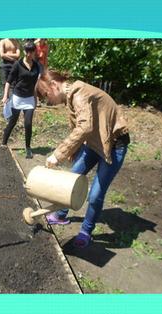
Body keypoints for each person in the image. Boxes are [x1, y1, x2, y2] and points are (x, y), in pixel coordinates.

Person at [37, 70, 130, 248]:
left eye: (46, 95)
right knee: (72, 178)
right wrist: (75, 148)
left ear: (54, 85)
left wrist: (58, 154)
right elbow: (82, 126)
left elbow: (85, 127)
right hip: (95, 142)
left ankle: (86, 231)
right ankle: (61, 214)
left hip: (114, 145)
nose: (47, 101)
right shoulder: (72, 96)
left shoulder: (79, 93)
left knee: (95, 194)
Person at [1, 40, 41, 159]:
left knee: (28, 124)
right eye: (27, 51)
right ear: (24, 51)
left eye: (31, 52)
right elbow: (9, 81)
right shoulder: (18, 64)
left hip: (29, 99)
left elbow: (35, 85)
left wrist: (36, 100)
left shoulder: (36, 67)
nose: (29, 54)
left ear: (34, 52)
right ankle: (3, 144)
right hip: (17, 98)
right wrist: (5, 96)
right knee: (12, 122)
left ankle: (28, 148)